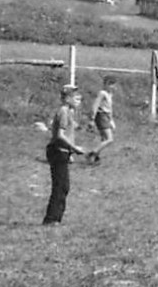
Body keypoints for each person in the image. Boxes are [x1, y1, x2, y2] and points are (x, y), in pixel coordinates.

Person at [43, 84, 88, 224]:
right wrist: (74, 148)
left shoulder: (69, 111)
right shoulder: (63, 111)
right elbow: (60, 135)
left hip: (63, 152)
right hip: (57, 151)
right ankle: (51, 219)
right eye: (76, 97)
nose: (79, 99)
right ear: (67, 99)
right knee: (60, 186)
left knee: (64, 186)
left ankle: (56, 218)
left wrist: (70, 153)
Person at [88, 76, 117, 164]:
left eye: (113, 84)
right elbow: (95, 105)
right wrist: (92, 119)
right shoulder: (102, 93)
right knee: (109, 139)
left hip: (106, 116)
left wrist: (111, 120)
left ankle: (95, 157)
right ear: (106, 84)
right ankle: (93, 152)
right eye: (110, 84)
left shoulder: (110, 95)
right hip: (101, 116)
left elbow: (110, 108)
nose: (113, 87)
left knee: (104, 139)